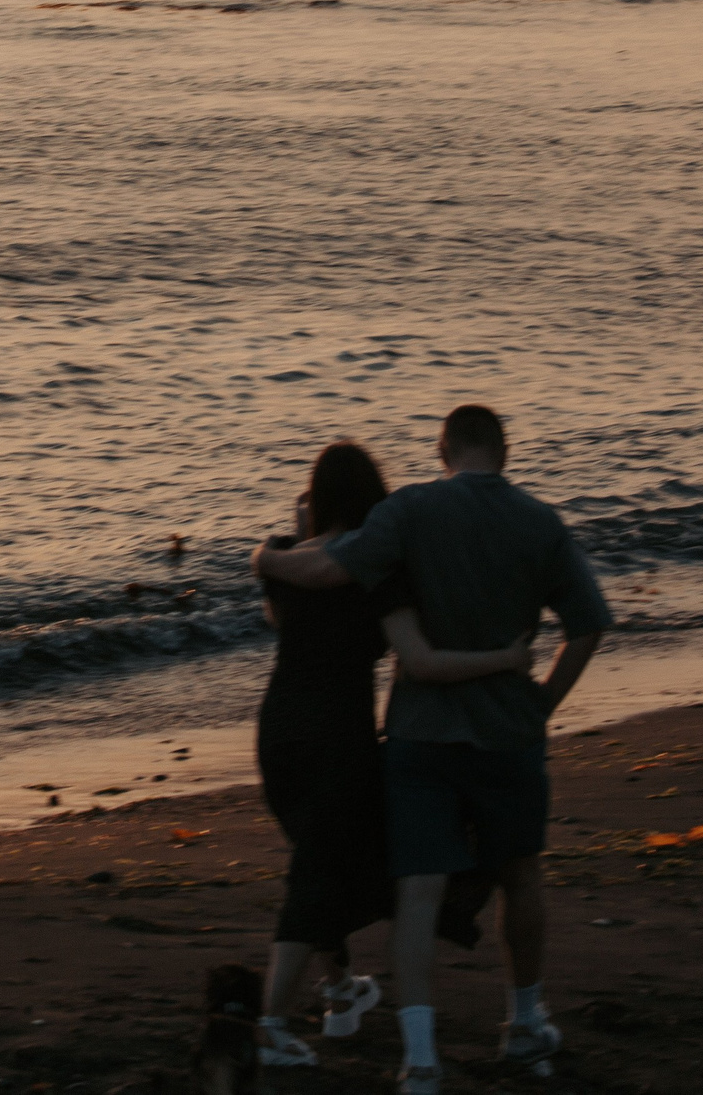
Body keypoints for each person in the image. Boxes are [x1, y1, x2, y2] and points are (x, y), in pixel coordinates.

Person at [253, 405, 610, 1094]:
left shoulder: (409, 512)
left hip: (413, 733)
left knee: (413, 887)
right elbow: (589, 626)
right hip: (504, 731)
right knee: (520, 874)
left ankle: (418, 1057)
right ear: (504, 450)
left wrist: (266, 553)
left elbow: (325, 570)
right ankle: (523, 1021)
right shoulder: (542, 522)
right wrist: (541, 702)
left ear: (443, 448)